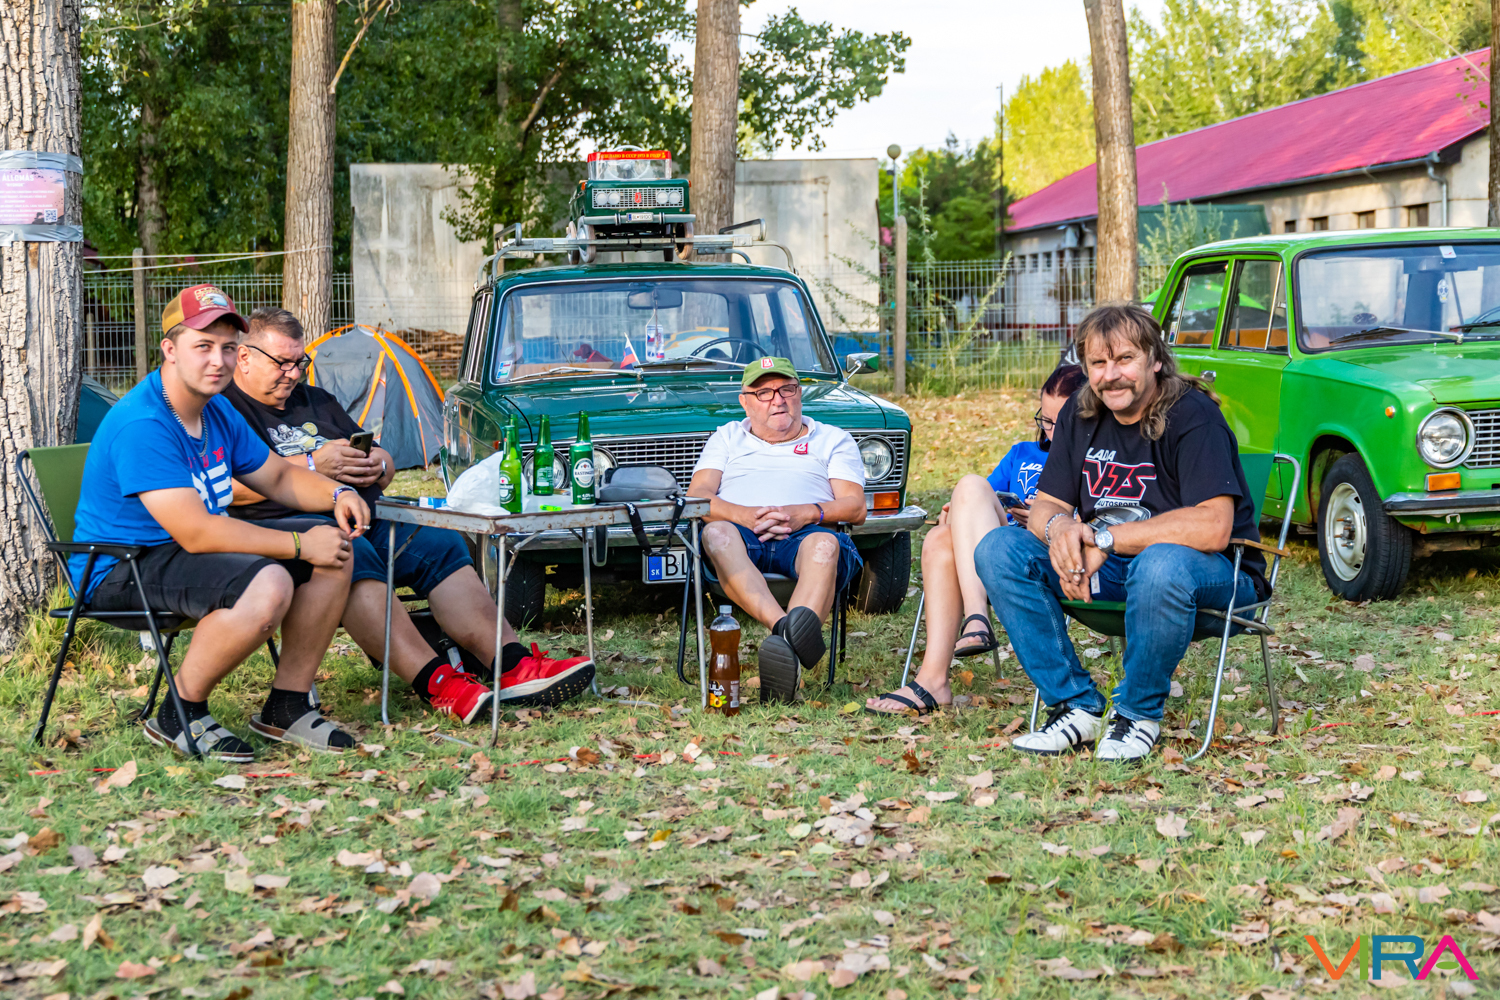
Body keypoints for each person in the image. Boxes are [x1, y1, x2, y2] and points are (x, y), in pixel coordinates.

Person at [223, 308, 594, 722]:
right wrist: (313, 465)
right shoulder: (226, 409)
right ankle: (439, 682)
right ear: (245, 358)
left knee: (440, 542)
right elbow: (223, 486)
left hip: (361, 514)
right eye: (282, 363)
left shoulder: (316, 400)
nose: (293, 374)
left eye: (300, 362)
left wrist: (377, 465)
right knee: (348, 551)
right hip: (284, 529)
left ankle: (511, 664)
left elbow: (380, 456)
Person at [71, 285, 370, 762]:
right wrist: (299, 544)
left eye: (229, 348)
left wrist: (338, 493)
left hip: (179, 551)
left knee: (334, 549)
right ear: (170, 350)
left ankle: (287, 706)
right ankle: (179, 713)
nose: (219, 361)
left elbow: (276, 476)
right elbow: (198, 532)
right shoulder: (143, 423)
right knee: (271, 580)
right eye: (203, 346)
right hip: (120, 566)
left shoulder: (217, 410)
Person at [975, 303, 1266, 761]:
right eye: (1098, 363)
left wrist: (1103, 540)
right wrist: (1061, 530)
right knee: (999, 549)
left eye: (1125, 359)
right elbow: (1046, 505)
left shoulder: (1193, 416)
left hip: (1213, 577)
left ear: (1155, 360)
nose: (1111, 376)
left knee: (1160, 563)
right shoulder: (1081, 412)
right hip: (1109, 573)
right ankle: (1075, 707)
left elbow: (1213, 527)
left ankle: (1136, 715)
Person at [866, 364, 1087, 716]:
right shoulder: (1022, 454)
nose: (1051, 431)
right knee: (947, 525)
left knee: (941, 538)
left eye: (1061, 423)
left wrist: (1051, 519)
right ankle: (937, 675)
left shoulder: (1093, 458)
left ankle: (972, 624)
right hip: (995, 545)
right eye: (1045, 420)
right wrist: (958, 511)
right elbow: (982, 496)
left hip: (1048, 555)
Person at [688, 357, 867, 703]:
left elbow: (855, 506)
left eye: (786, 389)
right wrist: (744, 516)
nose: (778, 400)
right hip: (740, 534)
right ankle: (787, 633)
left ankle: (784, 654)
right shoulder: (727, 437)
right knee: (715, 534)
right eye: (764, 393)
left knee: (825, 546)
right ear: (745, 401)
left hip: (806, 535)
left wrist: (807, 512)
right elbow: (698, 496)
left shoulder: (832, 439)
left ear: (799, 394)